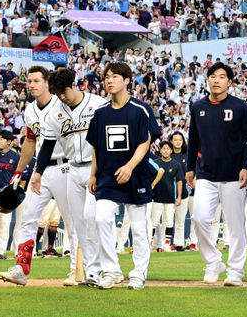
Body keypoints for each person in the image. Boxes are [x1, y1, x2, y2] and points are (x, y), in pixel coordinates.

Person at [27, 68, 109, 287]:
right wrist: (38, 173)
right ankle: (93, 273)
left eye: (64, 91)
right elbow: (47, 146)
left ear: (74, 84)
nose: (62, 96)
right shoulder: (56, 112)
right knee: (79, 223)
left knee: (93, 218)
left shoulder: (98, 104)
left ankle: (109, 269)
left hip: (96, 168)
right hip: (73, 169)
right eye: (57, 92)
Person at [85, 62, 163, 290]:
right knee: (100, 218)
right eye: (107, 76)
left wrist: (129, 167)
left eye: (115, 76)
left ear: (127, 80)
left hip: (136, 176)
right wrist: (92, 174)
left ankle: (139, 273)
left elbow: (145, 141)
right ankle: (111, 271)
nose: (109, 80)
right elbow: (96, 146)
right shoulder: (100, 113)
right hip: (107, 177)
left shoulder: (141, 109)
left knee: (139, 229)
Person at [0, 67, 75, 286]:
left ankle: (76, 271)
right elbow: (30, 143)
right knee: (29, 217)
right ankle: (21, 268)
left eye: (36, 81)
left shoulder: (62, 105)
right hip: (41, 171)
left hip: (66, 167)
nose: (31, 85)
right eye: (29, 81)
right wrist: (19, 172)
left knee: (71, 221)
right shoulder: (30, 110)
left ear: (47, 83)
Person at [186, 62, 247, 286]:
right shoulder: (197, 107)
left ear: (230, 82)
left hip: (235, 175)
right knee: (199, 217)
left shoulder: (240, 107)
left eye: (222, 76)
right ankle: (213, 260)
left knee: (235, 226)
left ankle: (235, 271)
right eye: (213, 76)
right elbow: (193, 139)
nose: (216, 80)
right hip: (205, 174)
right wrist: (189, 168)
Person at [148, 141, 182, 252]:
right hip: (156, 197)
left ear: (171, 151)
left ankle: (167, 244)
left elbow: (179, 181)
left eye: (168, 149)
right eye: (163, 149)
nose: (166, 151)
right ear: (160, 150)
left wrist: (179, 197)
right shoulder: (155, 163)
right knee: (154, 222)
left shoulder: (176, 164)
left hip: (170, 198)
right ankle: (150, 243)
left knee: (169, 222)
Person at [0, 131, 23, 258]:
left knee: (5, 223)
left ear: (9, 142)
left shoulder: (15, 157)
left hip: (6, 192)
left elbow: (20, 174)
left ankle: (0, 251)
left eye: (2, 139)